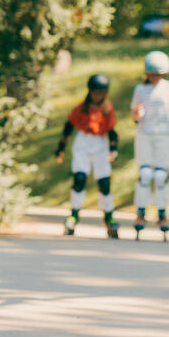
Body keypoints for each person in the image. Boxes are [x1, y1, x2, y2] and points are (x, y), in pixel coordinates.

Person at [55, 74, 120, 238]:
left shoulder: (107, 109)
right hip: (83, 141)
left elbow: (112, 131)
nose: (98, 95)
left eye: (101, 93)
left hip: (100, 142)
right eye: (95, 92)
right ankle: (74, 214)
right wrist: (61, 147)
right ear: (90, 91)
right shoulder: (81, 108)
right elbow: (68, 126)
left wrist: (113, 149)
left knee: (104, 182)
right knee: (80, 178)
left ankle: (109, 216)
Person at [131, 50, 169, 240]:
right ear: (146, 73)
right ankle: (141, 212)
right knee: (145, 174)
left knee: (161, 175)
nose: (155, 77)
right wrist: (137, 114)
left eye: (159, 73)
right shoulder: (140, 90)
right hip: (144, 134)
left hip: (163, 134)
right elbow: (135, 113)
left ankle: (162, 213)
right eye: (153, 73)